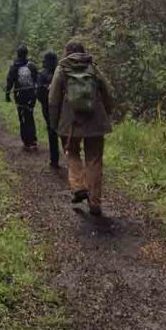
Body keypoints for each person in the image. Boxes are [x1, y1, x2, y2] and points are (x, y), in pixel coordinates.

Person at [48, 40, 114, 216]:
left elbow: (53, 99)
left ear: (66, 52)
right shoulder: (93, 67)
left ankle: (78, 186)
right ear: (83, 51)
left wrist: (54, 123)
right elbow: (108, 92)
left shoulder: (62, 69)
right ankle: (95, 202)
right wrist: (107, 113)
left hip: (70, 122)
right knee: (94, 159)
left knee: (72, 152)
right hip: (95, 120)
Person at [5, 44, 39, 151]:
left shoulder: (14, 67)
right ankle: (33, 140)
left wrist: (7, 95)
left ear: (17, 54)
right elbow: (37, 80)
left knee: (22, 118)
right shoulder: (32, 66)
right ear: (26, 53)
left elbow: (9, 82)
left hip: (19, 96)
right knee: (30, 116)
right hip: (31, 95)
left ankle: (26, 142)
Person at [36, 50, 60, 168]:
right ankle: (72, 158)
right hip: (62, 108)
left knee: (52, 132)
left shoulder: (42, 74)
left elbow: (39, 93)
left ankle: (54, 160)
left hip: (48, 108)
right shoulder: (60, 73)